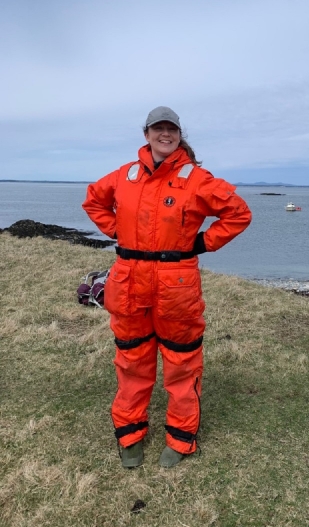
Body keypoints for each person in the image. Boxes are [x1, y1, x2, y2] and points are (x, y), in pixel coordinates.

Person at [82, 106, 252, 469]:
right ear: (146, 134)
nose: (164, 134)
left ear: (178, 135)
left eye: (170, 129)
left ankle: (181, 438)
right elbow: (93, 199)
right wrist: (115, 230)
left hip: (176, 287)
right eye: (157, 128)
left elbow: (238, 213)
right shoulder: (124, 176)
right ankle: (129, 435)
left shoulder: (197, 179)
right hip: (129, 283)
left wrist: (203, 243)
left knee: (182, 363)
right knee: (131, 361)